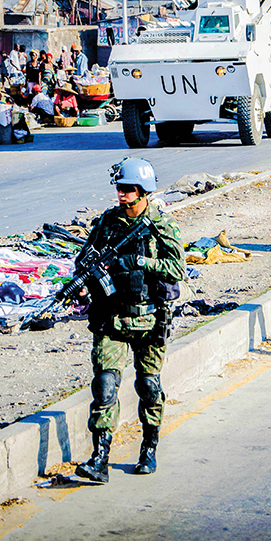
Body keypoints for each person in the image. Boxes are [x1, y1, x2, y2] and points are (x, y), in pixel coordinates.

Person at [74, 158, 184, 484]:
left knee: (148, 387)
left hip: (150, 319)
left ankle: (149, 448)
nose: (120, 195)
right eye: (118, 189)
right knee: (105, 385)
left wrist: (139, 261)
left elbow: (176, 269)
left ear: (143, 191)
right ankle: (100, 458)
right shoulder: (108, 222)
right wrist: (86, 279)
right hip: (113, 318)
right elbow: (85, 258)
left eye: (127, 190)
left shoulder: (162, 225)